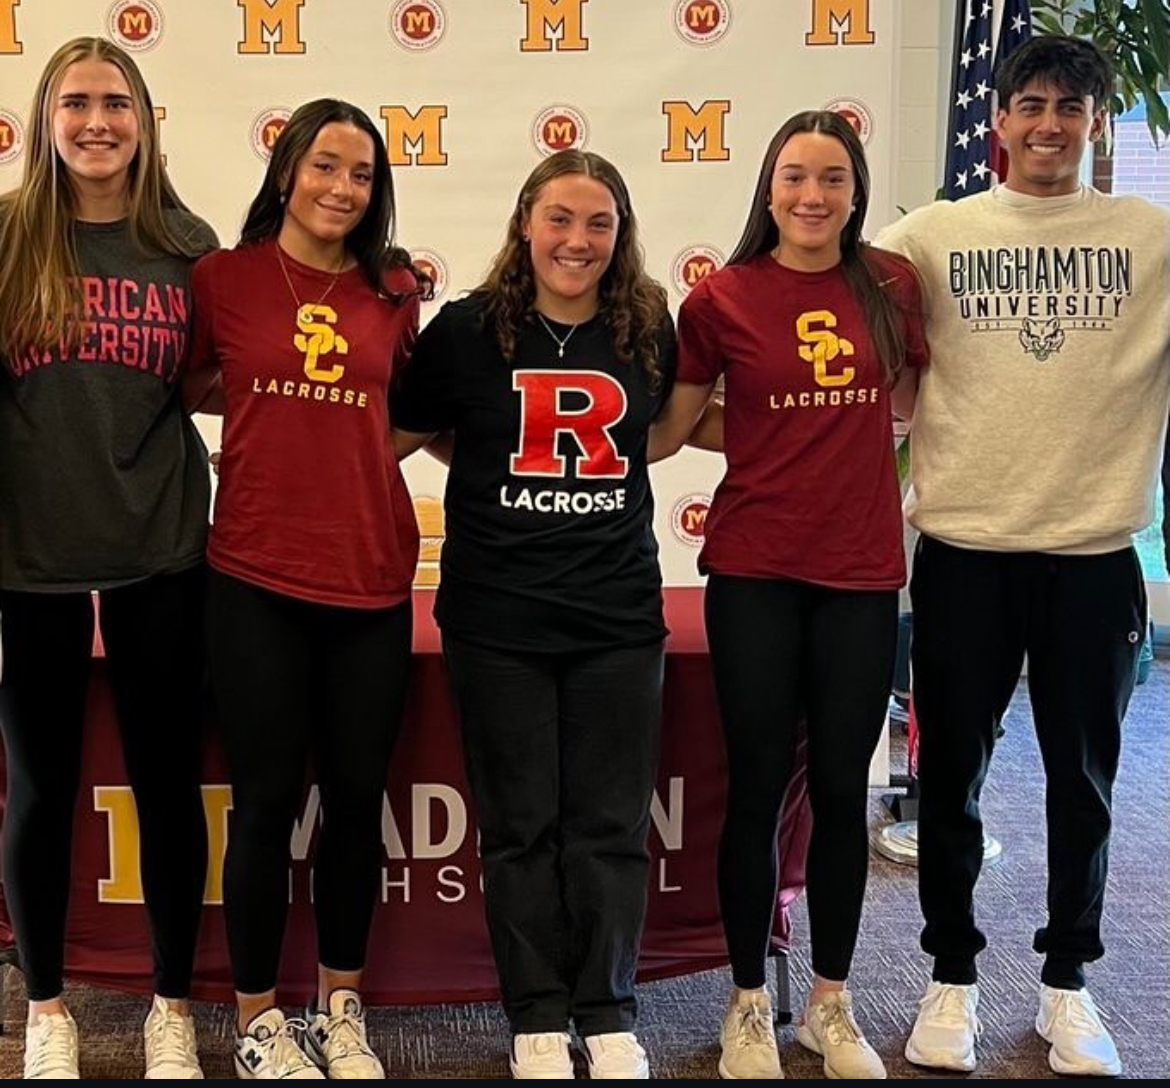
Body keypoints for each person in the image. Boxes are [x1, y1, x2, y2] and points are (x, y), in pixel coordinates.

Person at [875, 34, 1170, 1078]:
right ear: (997, 121)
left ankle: (1069, 985)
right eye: (1030, 104)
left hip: (1094, 556)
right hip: (965, 549)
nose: (1049, 123)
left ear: (1095, 122)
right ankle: (949, 974)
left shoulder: (1151, 237)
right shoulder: (929, 235)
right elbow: (828, 307)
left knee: (1083, 784)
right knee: (949, 776)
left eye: (1070, 107)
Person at [650, 110, 926, 1080]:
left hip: (859, 576)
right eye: (796, 176)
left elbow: (914, 405)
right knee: (758, 787)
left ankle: (831, 1003)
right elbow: (673, 427)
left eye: (835, 178)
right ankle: (748, 1002)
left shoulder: (892, 285)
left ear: (855, 193)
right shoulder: (721, 297)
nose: (814, 195)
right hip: (755, 573)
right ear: (768, 189)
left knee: (843, 792)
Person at [392, 149, 674, 1081]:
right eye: (560, 219)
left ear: (619, 234)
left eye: (598, 223)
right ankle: (538, 1014)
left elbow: (662, 432)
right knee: (520, 827)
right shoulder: (468, 330)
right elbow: (411, 429)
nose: (578, 241)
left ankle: (607, 1006)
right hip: (498, 617)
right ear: (525, 223)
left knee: (608, 822)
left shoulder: (646, 325)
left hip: (617, 613)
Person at [186, 99, 427, 1080]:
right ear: (286, 172)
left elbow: (410, 408)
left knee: (357, 804)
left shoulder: (395, 288)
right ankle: (256, 1018)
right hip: (252, 576)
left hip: (369, 577)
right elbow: (193, 385)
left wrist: (350, 452)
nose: (341, 187)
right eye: (325, 165)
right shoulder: (222, 279)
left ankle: (340, 1005)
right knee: (265, 803)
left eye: (361, 173)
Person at [0, 36, 216, 1081]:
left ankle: (171, 1004)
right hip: (28, 556)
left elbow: (225, 382)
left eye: (115, 102)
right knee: (42, 788)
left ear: (145, 118)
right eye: (76, 102)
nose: (96, 121)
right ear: (46, 119)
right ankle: (47, 1008)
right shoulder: (5, 240)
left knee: (166, 783)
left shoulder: (185, 243)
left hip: (161, 548)